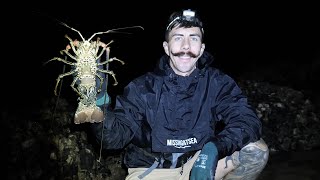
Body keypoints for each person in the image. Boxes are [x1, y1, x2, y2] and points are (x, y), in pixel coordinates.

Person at [91, 8, 269, 180]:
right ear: (167, 48)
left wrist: (213, 149)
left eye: (193, 38)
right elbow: (112, 140)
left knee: (256, 150)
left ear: (201, 48)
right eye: (178, 38)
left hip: (198, 162)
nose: (186, 46)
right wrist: (98, 104)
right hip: (151, 171)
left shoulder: (217, 83)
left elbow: (248, 121)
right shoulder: (141, 88)